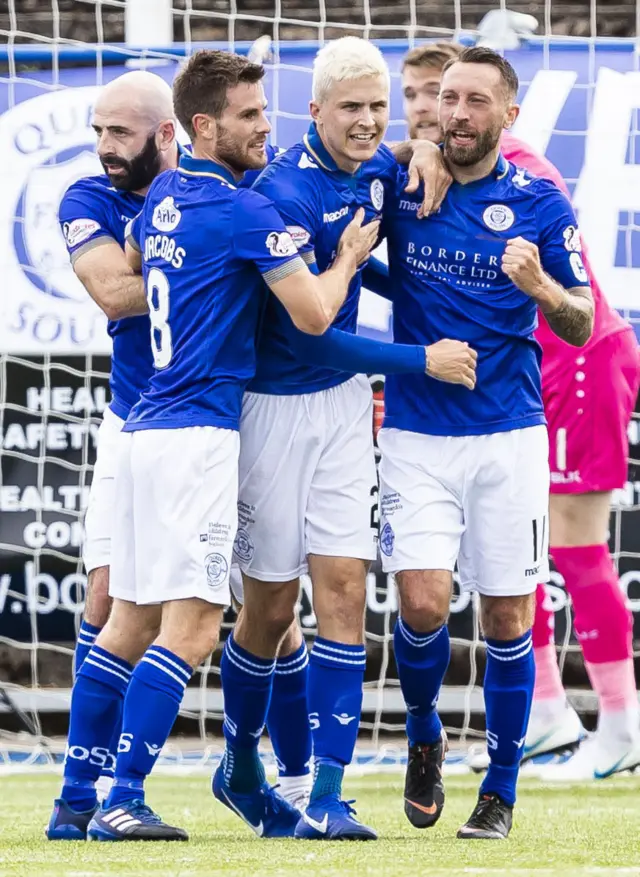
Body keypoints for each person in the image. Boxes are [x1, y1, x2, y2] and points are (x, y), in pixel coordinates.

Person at [50, 49, 379, 843]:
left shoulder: (161, 194)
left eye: (267, 115)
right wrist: (346, 260)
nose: (266, 128)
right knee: (194, 626)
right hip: (199, 433)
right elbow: (312, 317)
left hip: (139, 427)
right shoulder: (244, 212)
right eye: (250, 117)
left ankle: (75, 801)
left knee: (126, 619)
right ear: (202, 127)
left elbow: (133, 266)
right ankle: (126, 794)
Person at [213, 35, 476, 843]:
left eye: (377, 108)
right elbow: (312, 336)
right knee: (266, 610)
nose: (368, 122)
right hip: (271, 406)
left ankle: (329, 792)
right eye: (351, 108)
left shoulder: (381, 169)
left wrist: (424, 147)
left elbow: (373, 256)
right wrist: (419, 358)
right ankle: (240, 762)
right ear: (315, 110)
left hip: (340, 411)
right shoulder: (280, 192)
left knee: (345, 593)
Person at [402, 41, 640, 780]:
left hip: (579, 358)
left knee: (575, 544)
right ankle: (543, 711)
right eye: (417, 94)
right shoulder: (425, 159)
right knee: (512, 558)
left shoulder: (520, 171)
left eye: (429, 92)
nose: (420, 107)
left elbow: (567, 296)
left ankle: (622, 725)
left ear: (501, 109)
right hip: (532, 372)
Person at [378, 46, 593, 839]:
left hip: (508, 435)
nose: (456, 113)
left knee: (509, 616)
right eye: (446, 99)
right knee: (424, 602)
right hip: (414, 432)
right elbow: (346, 170)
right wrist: (420, 150)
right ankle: (426, 729)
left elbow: (578, 318)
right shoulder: (403, 187)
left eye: (474, 102)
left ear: (508, 114)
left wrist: (538, 286)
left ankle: (500, 790)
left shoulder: (539, 203)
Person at [46, 71, 179, 839]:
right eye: (98, 131)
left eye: (119, 133)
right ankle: (83, 796)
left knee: (272, 611)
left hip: (229, 423)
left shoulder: (212, 184)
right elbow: (111, 291)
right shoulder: (89, 199)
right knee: (106, 603)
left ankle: (272, 780)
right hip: (131, 422)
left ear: (167, 133)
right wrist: (200, 260)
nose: (104, 148)